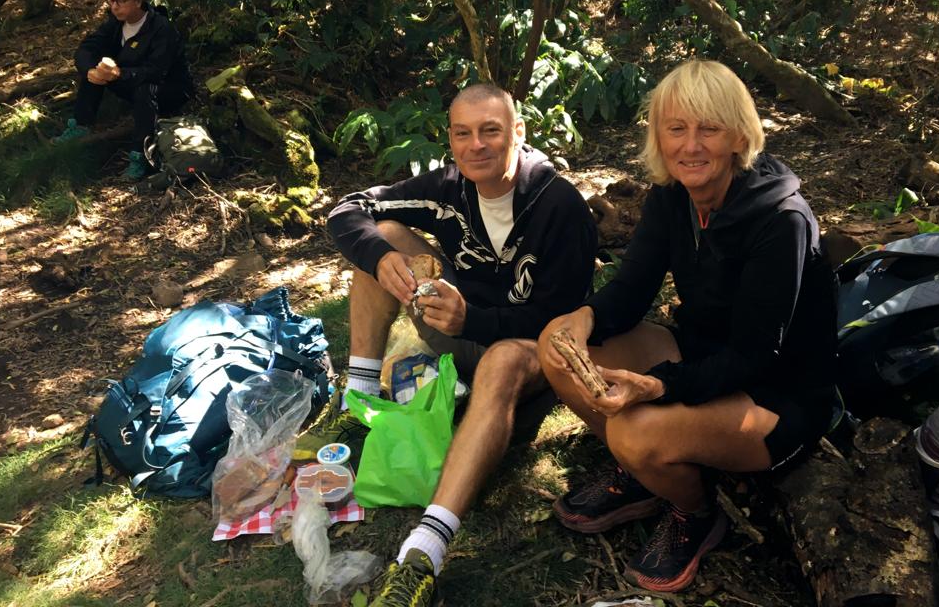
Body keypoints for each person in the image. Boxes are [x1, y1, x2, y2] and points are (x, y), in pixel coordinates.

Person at [537, 59, 837, 593]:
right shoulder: (673, 197)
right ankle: (643, 472)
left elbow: (754, 356)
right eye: (676, 128)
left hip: (774, 394)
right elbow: (631, 290)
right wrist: (585, 317)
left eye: (709, 129)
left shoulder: (780, 220)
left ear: (739, 136)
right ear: (659, 136)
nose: (691, 146)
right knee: (556, 344)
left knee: (632, 427)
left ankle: (694, 511)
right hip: (700, 356)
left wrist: (657, 387)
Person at [327, 83, 597, 606]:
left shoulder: (559, 206)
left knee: (502, 359)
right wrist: (381, 258)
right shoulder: (448, 187)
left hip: (531, 354)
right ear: (450, 140)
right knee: (382, 241)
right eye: (463, 134)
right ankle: (356, 402)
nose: (477, 145)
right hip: (458, 328)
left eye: (490, 131)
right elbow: (348, 209)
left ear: (518, 132)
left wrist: (473, 318)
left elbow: (561, 320)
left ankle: (423, 553)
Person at [58, 0, 194, 179]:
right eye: (111, 1)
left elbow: (156, 71)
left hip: (169, 89)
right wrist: (91, 71)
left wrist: (120, 74)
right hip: (129, 80)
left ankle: (140, 155)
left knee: (144, 90)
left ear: (138, 1)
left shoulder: (160, 28)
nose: (114, 7)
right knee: (96, 70)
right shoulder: (114, 23)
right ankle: (81, 124)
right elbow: (87, 48)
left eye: (121, 1)